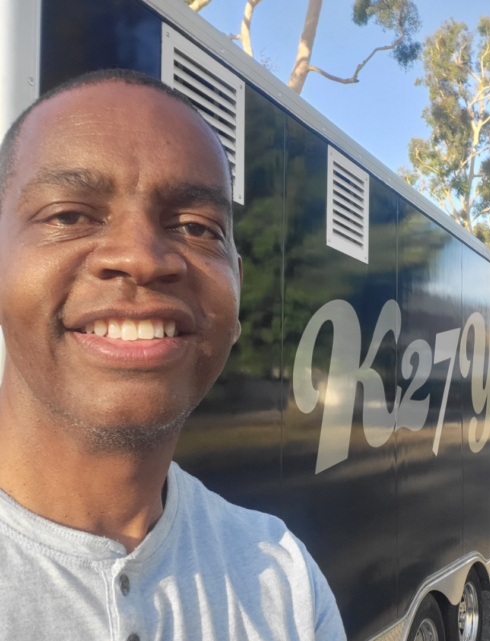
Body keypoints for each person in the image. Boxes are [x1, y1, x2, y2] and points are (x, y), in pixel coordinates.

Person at [0, 68, 346, 640]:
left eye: (195, 226)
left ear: (235, 289)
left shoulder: (284, 582)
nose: (142, 257)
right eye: (69, 215)